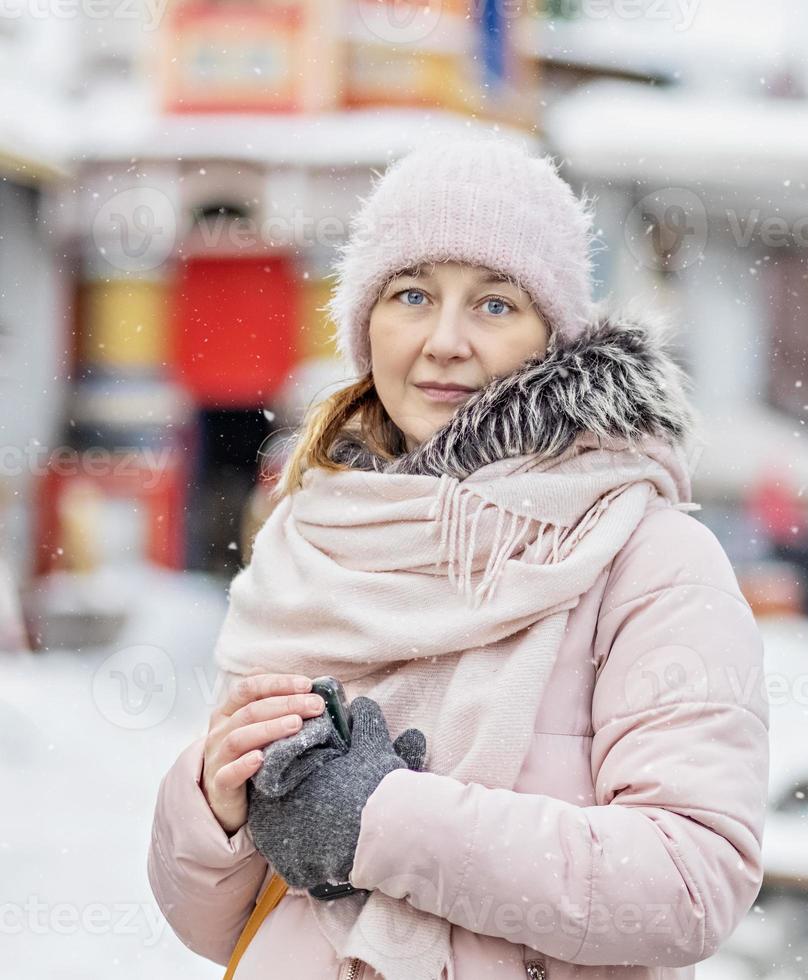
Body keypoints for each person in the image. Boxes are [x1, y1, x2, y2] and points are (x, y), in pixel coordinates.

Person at [146, 137, 770, 980]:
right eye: (412, 294)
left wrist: (383, 821)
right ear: (367, 322)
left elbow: (689, 883)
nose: (444, 341)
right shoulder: (313, 538)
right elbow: (221, 926)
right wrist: (213, 809)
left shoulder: (647, 558)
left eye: (494, 304)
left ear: (554, 333)